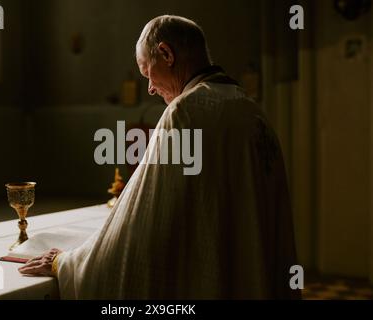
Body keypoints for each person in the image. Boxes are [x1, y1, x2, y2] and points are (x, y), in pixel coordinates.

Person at [19, 15, 300, 300]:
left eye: (147, 73)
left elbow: (139, 224)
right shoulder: (252, 111)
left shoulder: (186, 111)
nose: (150, 88)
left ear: (166, 54)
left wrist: (66, 262)